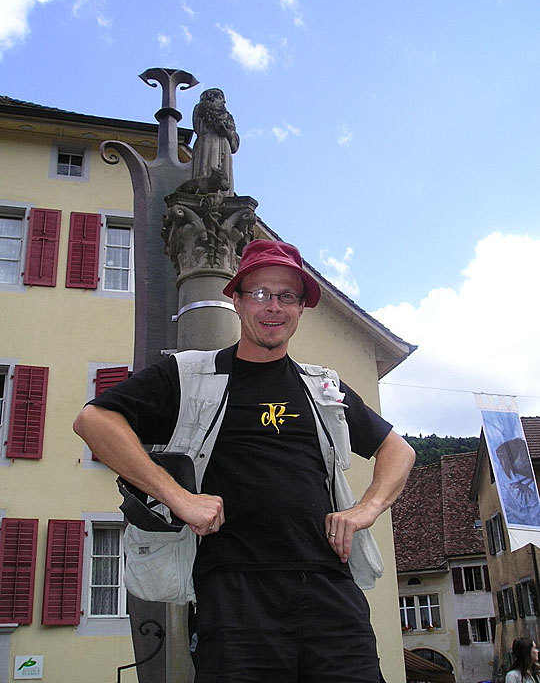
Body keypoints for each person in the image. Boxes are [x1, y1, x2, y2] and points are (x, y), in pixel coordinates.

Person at [73, 239, 415, 683]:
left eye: (286, 296)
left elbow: (399, 450)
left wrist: (365, 510)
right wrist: (177, 497)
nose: (272, 307)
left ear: (300, 309)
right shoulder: (189, 374)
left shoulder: (322, 388)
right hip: (235, 597)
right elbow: (94, 420)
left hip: (330, 591)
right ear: (235, 300)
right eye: (259, 294)